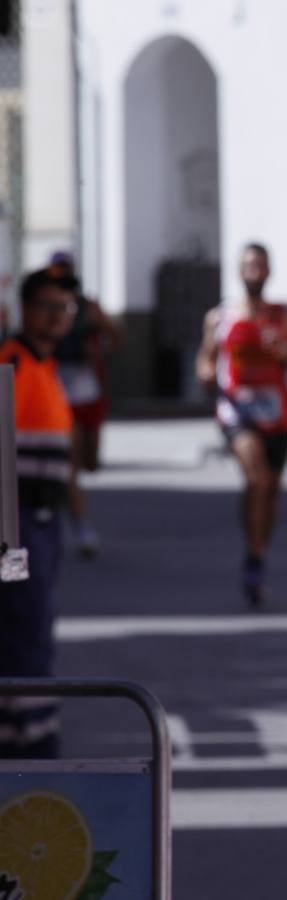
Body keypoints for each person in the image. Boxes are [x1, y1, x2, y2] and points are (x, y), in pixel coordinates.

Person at [195, 243, 287, 607]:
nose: (253, 272)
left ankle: (259, 553)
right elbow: (205, 361)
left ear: (269, 272)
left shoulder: (286, 317)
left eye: (259, 266)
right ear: (239, 271)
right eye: (247, 265)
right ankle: (252, 553)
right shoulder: (220, 318)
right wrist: (204, 372)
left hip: (276, 413)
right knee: (256, 477)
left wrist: (286, 352)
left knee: (272, 489)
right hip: (237, 411)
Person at [0, 267, 78, 757]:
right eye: (47, 307)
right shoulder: (11, 364)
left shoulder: (44, 366)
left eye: (65, 309)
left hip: (44, 522)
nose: (56, 317)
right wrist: (9, 550)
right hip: (19, 524)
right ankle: (31, 746)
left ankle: (24, 738)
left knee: (33, 631)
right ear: (25, 310)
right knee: (24, 632)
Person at [48, 251, 122, 558]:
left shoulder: (87, 308)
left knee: (90, 460)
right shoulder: (46, 309)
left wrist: (100, 345)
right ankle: (81, 527)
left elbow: (116, 338)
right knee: (73, 462)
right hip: (59, 388)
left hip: (87, 385)